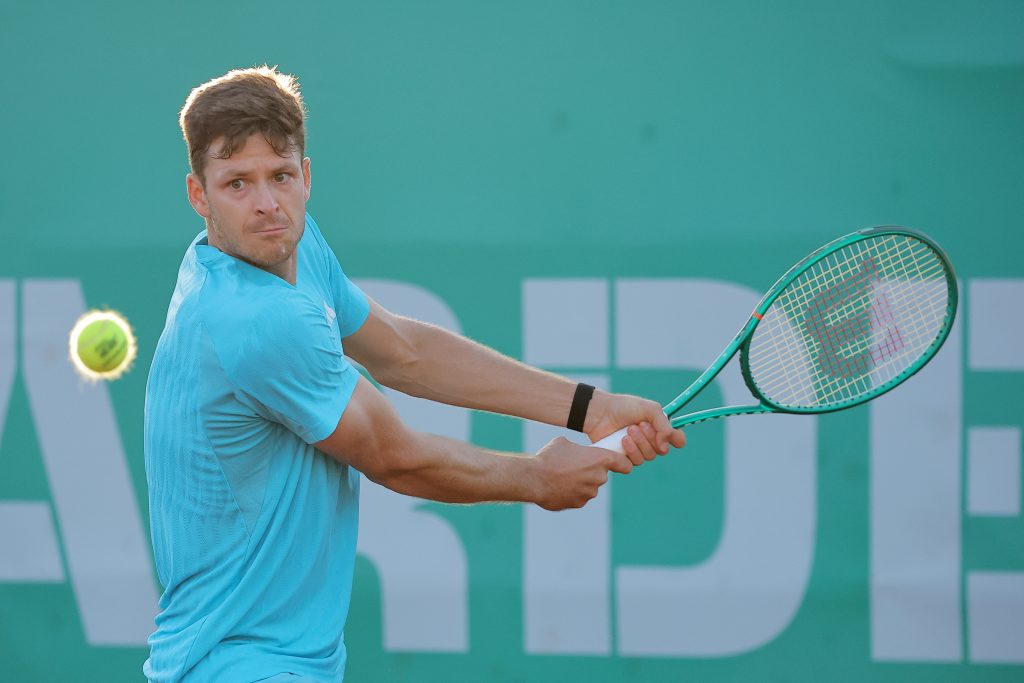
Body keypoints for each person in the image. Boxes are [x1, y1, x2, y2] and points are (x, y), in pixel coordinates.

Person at [143, 65, 685, 683]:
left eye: (281, 176)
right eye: (237, 183)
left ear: (308, 177)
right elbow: (394, 456)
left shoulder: (286, 248)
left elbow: (403, 351)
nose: (267, 203)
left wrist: (588, 408)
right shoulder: (255, 318)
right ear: (198, 194)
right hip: (245, 667)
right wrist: (537, 478)